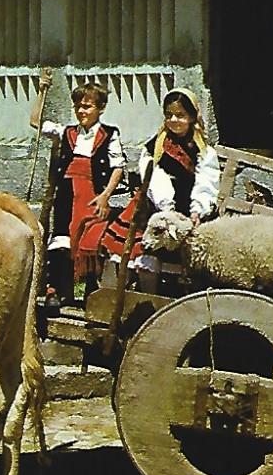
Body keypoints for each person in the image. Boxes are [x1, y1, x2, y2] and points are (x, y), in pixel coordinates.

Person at [95, 88, 220, 293]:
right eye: (169, 115)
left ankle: (177, 298)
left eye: (180, 115)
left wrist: (198, 210)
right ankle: (145, 297)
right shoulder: (155, 147)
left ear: (191, 117)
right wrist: (166, 206)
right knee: (145, 258)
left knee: (185, 262)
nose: (174, 120)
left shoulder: (204, 152)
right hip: (154, 208)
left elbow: (206, 182)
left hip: (188, 213)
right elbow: (153, 177)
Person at [30, 72, 125, 312]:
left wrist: (105, 196)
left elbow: (118, 168)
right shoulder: (67, 132)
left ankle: (90, 290)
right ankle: (55, 291)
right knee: (61, 240)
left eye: (87, 106)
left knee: (89, 241)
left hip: (93, 195)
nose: (81, 111)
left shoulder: (110, 134)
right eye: (78, 106)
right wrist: (42, 90)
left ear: (101, 109)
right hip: (66, 193)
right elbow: (35, 122)